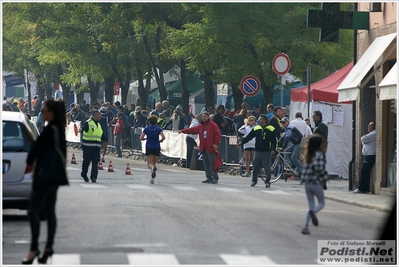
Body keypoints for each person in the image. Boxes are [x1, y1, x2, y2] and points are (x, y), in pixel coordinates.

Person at [23, 100, 68, 264]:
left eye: (45, 111)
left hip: (45, 175)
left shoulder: (50, 130)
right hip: (54, 176)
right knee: (49, 211)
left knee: (33, 210)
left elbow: (36, 150)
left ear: (52, 113)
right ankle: (48, 247)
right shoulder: (59, 129)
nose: (42, 113)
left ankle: (34, 247)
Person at [179, 110, 221, 184]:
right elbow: (192, 130)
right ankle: (208, 177)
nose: (203, 118)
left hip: (211, 147)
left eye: (205, 116)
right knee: (206, 163)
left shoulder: (213, 125)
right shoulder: (201, 126)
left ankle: (215, 177)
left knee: (212, 163)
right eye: (202, 117)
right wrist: (183, 131)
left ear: (208, 117)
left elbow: (217, 135)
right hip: (204, 147)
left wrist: (216, 143)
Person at [237, 114, 277, 188]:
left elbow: (274, 140)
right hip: (258, 150)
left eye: (261, 119)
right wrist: (242, 142)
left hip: (266, 151)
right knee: (255, 166)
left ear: (265, 120)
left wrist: (273, 149)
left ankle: (267, 181)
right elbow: (249, 136)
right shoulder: (257, 128)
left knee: (267, 167)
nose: (259, 120)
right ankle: (254, 180)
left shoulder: (271, 129)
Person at [300, 134, 328, 235]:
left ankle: (305, 226)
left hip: (307, 182)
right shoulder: (319, 154)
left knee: (311, 205)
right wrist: (325, 177)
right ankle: (314, 212)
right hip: (315, 182)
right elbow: (319, 167)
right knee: (321, 203)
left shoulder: (309, 154)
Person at [80, 110, 108, 183]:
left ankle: (93, 177)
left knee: (95, 162)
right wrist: (81, 129)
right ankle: (84, 174)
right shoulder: (88, 122)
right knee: (86, 162)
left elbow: (101, 134)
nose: (100, 116)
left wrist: (106, 140)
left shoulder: (99, 125)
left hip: (96, 147)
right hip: (88, 147)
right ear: (94, 115)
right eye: (99, 115)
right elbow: (83, 128)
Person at [140, 115, 166, 184]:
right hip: (156, 146)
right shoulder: (158, 129)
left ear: (149, 121)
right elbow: (163, 137)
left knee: (149, 164)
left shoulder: (147, 129)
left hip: (149, 146)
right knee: (154, 163)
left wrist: (146, 138)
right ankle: (152, 179)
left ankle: (152, 169)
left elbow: (141, 138)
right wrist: (160, 140)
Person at [353, 122, 376, 193]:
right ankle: (366, 187)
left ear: (375, 126)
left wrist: (364, 141)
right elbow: (364, 140)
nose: (368, 127)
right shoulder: (371, 134)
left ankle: (362, 188)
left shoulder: (374, 133)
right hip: (367, 155)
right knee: (365, 171)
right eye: (368, 125)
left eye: (371, 125)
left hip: (370, 155)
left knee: (364, 170)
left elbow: (363, 139)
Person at [312, 110, 328, 189]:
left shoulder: (322, 126)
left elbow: (322, 138)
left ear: (318, 117)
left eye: (314, 116)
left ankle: (323, 184)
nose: (313, 118)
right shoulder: (317, 125)